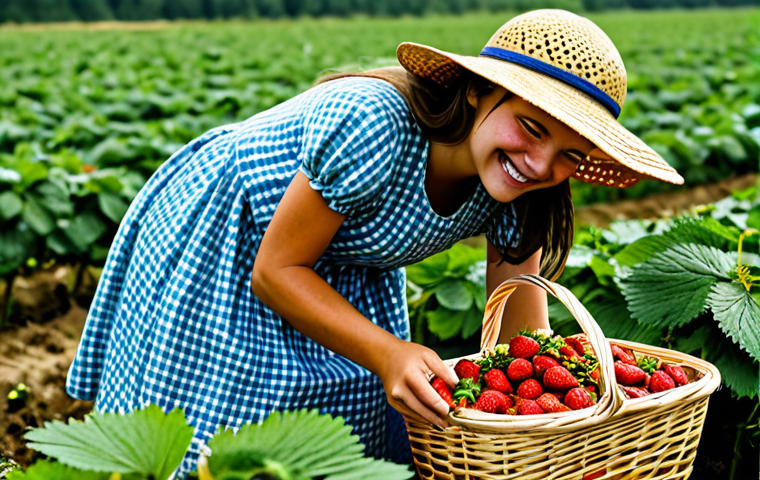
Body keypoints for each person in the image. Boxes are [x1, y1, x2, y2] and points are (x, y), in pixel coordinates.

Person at [66, 8, 683, 475]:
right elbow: (276, 272)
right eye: (529, 127)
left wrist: (563, 407)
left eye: (569, 154)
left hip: (345, 257)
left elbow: (523, 325)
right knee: (226, 425)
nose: (540, 162)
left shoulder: (528, 190)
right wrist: (390, 352)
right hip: (231, 236)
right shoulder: (374, 124)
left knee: (351, 414)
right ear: (476, 91)